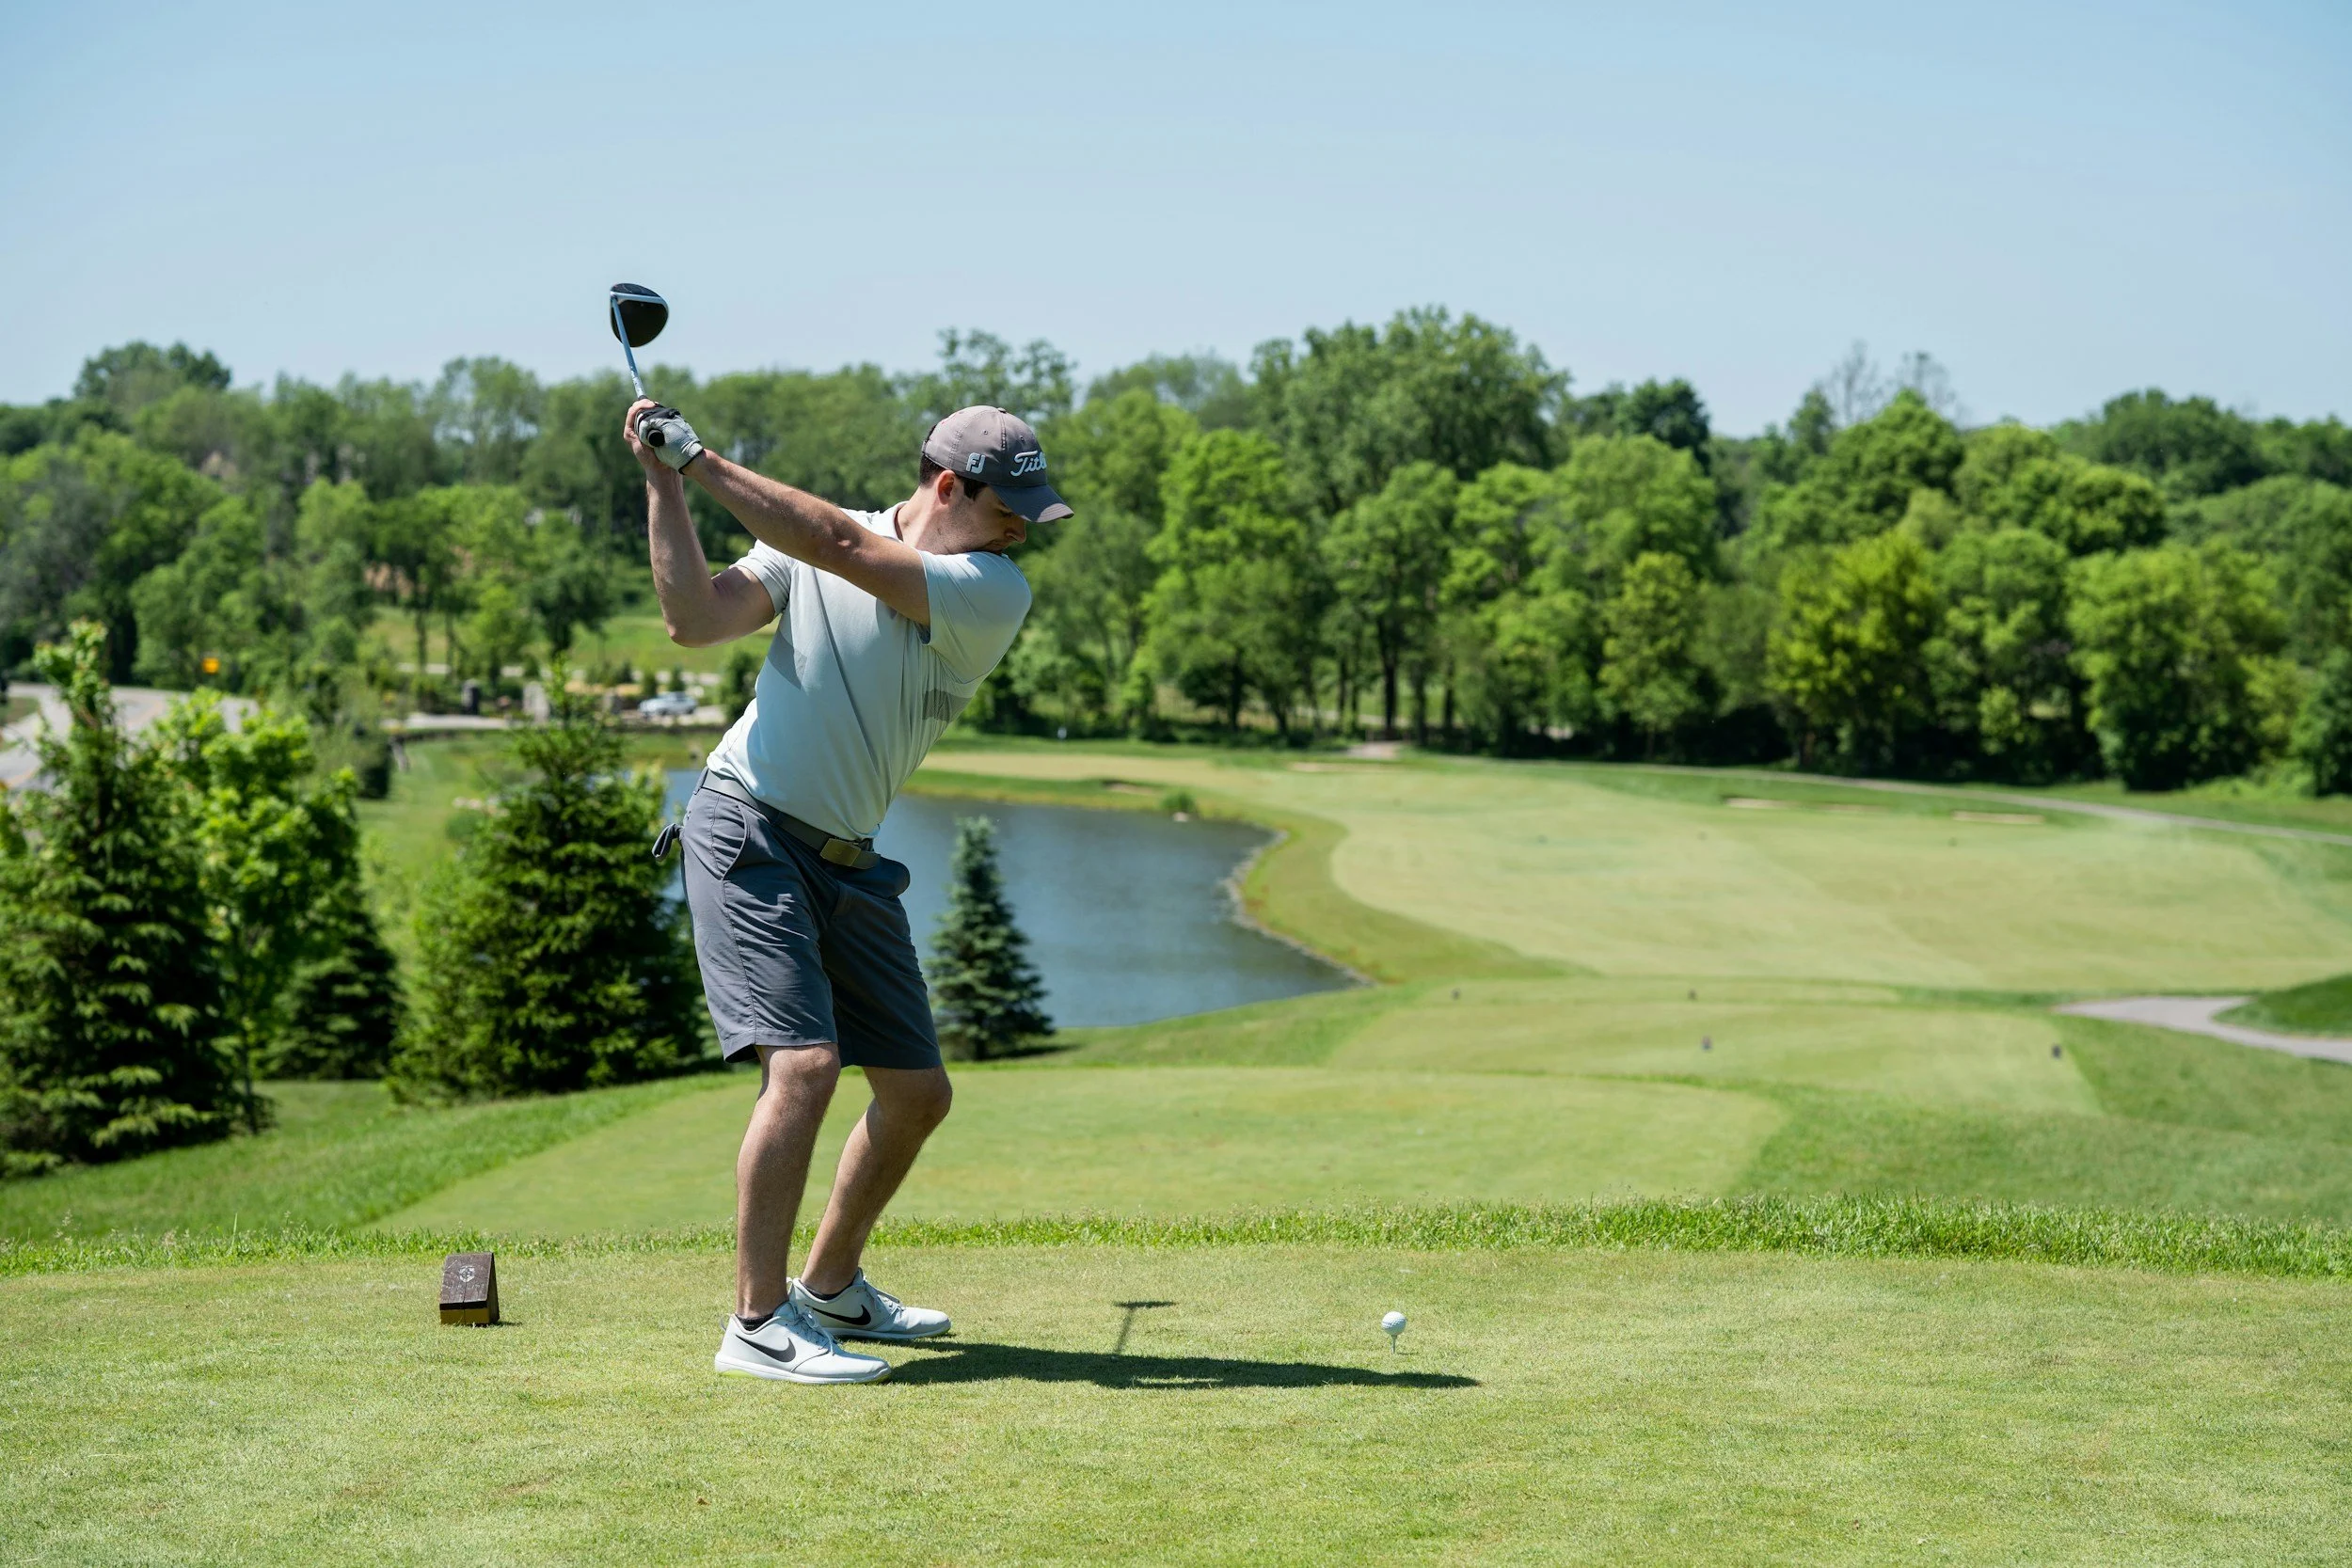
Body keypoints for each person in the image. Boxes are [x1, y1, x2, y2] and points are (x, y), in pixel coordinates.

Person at [624, 393, 1070, 1385]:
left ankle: (827, 1287)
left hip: (848, 855)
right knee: (807, 1066)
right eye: (1011, 510)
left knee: (916, 1091)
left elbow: (836, 543)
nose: (1022, 533)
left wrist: (697, 457)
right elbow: (695, 620)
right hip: (747, 821)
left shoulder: (988, 588)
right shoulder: (816, 543)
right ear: (948, 486)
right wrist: (667, 484)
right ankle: (755, 1321)